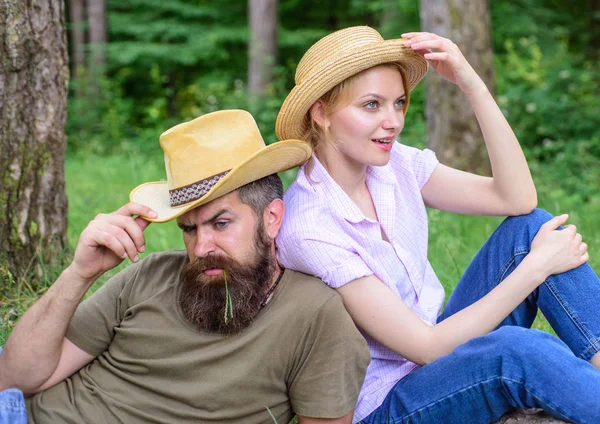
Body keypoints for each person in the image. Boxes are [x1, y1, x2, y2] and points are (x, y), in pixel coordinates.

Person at [275, 26, 600, 424]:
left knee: (530, 228)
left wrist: (472, 86)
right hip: (387, 404)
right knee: (517, 351)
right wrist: (536, 268)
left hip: (436, 353)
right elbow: (426, 348)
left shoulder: (392, 164)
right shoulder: (309, 226)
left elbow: (516, 199)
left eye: (398, 103)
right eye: (372, 105)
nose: (392, 121)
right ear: (321, 113)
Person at [0, 110, 371, 424]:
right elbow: (13, 380)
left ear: (272, 218)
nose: (201, 247)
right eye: (188, 229)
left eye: (221, 224)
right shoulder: (150, 275)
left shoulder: (315, 315)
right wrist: (79, 274)